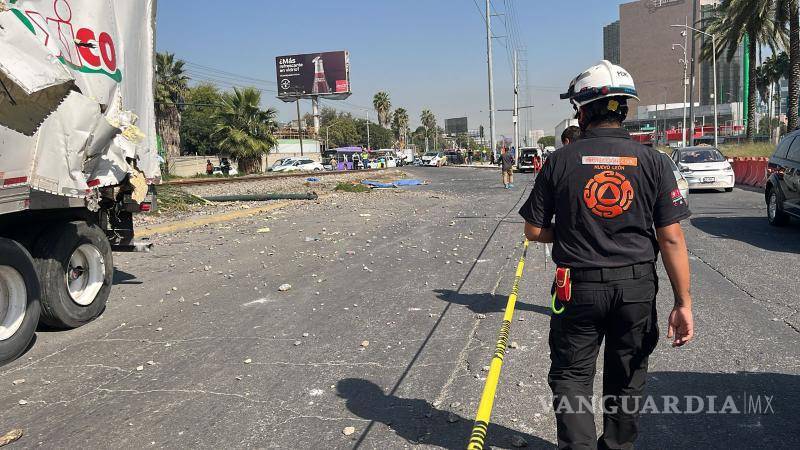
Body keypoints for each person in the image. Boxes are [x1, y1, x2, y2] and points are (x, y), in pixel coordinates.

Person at [519, 60, 694, 450]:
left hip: (576, 287)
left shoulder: (559, 161)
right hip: (636, 288)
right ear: (624, 109)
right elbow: (671, 240)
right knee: (627, 375)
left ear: (581, 111)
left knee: (572, 376)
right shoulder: (654, 161)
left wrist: (570, 231)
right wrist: (683, 302)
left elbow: (533, 230)